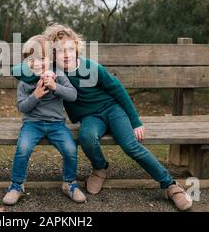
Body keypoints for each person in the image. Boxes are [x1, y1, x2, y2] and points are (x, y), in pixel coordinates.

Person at [11, 24, 193, 211]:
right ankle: (100, 168)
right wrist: (44, 64)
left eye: (70, 49)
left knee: (131, 146)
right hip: (90, 117)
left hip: (113, 110)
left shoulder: (91, 67)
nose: (66, 55)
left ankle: (170, 186)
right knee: (86, 137)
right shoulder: (53, 69)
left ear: (77, 48)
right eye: (59, 51)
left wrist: (135, 121)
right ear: (52, 54)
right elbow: (17, 70)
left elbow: (118, 91)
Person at [3, 35, 86, 205]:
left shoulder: (58, 75)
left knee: (70, 149)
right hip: (32, 124)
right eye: (32, 59)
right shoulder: (25, 81)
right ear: (27, 61)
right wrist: (36, 95)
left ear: (51, 59)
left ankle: (69, 183)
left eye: (42, 59)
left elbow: (73, 95)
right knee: (23, 148)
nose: (38, 63)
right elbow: (22, 107)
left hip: (56, 124)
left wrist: (55, 86)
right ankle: (16, 185)